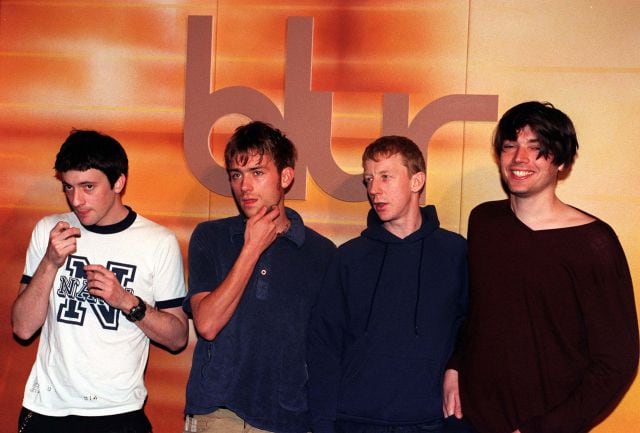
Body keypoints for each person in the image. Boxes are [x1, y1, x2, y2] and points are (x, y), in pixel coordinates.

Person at [444, 101, 639, 433]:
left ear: (560, 161)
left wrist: (548, 427)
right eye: (510, 147)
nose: (520, 159)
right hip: (471, 419)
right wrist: (455, 367)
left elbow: (617, 362)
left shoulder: (594, 243)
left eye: (537, 150)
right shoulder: (484, 221)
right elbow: (477, 312)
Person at [12, 129, 189, 433]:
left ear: (118, 182)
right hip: (47, 409)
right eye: (68, 187)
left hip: (118, 412)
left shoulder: (157, 242)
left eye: (88, 187)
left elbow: (177, 338)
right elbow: (23, 327)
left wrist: (126, 302)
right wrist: (50, 263)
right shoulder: (50, 230)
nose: (76, 200)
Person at [307, 135, 469, 433]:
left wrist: (457, 369)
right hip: (356, 422)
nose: (374, 190)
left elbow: (476, 329)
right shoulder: (348, 259)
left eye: (385, 177)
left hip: (434, 423)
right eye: (368, 179)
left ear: (416, 181)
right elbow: (323, 346)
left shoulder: (455, 252)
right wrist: (323, 423)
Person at [183, 120, 336, 433]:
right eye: (236, 175)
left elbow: (324, 351)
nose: (245, 186)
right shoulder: (211, 237)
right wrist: (251, 248)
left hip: (287, 419)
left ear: (286, 176)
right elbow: (207, 324)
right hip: (217, 414)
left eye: (257, 172)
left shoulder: (321, 253)